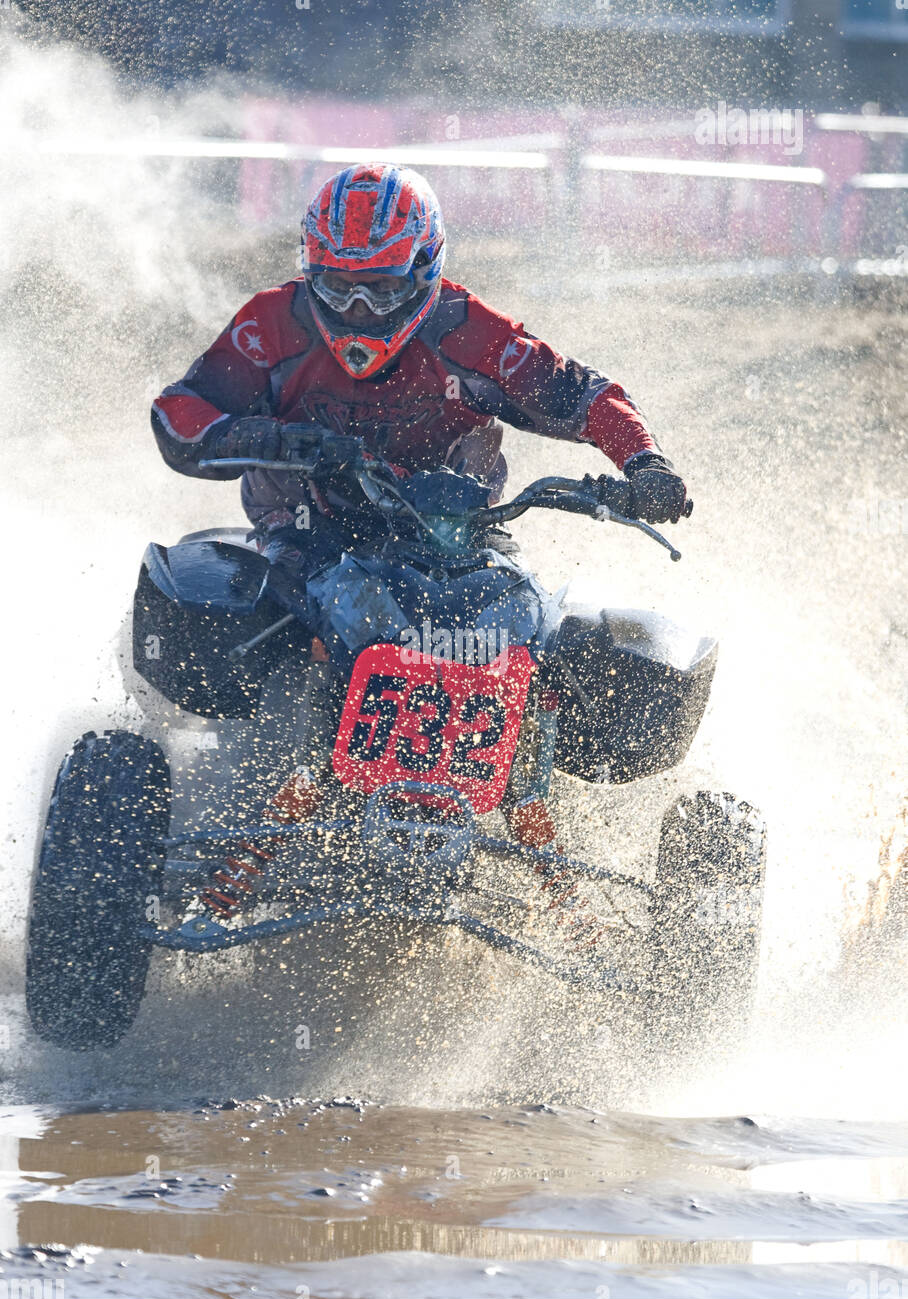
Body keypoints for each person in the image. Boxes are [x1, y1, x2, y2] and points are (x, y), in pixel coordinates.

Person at [151, 162, 690, 943]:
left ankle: (547, 850)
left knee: (535, 633)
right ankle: (261, 822)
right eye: (338, 287)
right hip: (312, 530)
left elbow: (578, 393)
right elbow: (180, 411)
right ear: (310, 271)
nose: (359, 308)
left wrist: (644, 464)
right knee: (273, 621)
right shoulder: (271, 325)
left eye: (380, 287)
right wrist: (270, 436)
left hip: (459, 538)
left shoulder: (468, 329)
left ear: (426, 271)